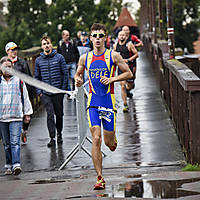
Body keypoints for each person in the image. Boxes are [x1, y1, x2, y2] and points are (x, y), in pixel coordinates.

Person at [74, 23, 133, 190]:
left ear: (105, 38)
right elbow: (77, 75)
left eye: (101, 36)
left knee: (108, 141)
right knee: (96, 138)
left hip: (108, 102)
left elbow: (129, 73)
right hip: (93, 102)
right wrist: (77, 80)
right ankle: (100, 177)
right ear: (90, 38)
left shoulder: (113, 56)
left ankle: (112, 140)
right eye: (95, 36)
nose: (98, 39)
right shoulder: (85, 58)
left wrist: (113, 79)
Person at [0, 56, 33, 175]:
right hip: (2, 117)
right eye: (5, 67)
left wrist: (27, 113)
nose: (8, 69)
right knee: (6, 143)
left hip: (16, 116)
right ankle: (8, 164)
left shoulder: (19, 81)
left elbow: (25, 97)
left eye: (10, 67)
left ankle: (16, 164)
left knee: (15, 142)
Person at [35, 35, 68, 147]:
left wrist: (63, 90)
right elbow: (37, 77)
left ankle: (59, 134)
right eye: (44, 44)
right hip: (45, 93)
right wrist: (39, 91)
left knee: (59, 115)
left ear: (51, 44)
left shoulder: (59, 58)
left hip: (57, 91)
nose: (46, 45)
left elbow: (65, 74)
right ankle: (52, 138)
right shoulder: (38, 60)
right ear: (42, 46)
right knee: (50, 114)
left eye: (48, 43)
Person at [5, 42, 34, 144]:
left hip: (22, 92)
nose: (14, 52)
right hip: (9, 94)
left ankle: (24, 130)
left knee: (27, 117)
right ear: (7, 51)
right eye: (12, 50)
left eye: (16, 49)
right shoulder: (4, 64)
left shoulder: (22, 63)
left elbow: (28, 77)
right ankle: (15, 137)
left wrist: (31, 93)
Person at [113, 31, 138, 112]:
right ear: (118, 36)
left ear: (126, 36)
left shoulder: (129, 44)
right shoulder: (115, 45)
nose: (122, 37)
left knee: (129, 85)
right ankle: (125, 105)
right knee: (122, 85)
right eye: (120, 35)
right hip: (120, 68)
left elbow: (136, 54)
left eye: (123, 35)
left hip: (129, 67)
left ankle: (128, 89)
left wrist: (128, 60)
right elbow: (113, 56)